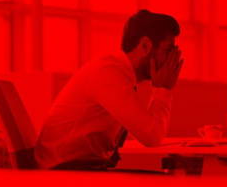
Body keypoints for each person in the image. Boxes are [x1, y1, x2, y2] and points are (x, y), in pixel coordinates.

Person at [34, 9, 184, 169]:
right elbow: (152, 137)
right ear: (145, 45)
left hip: (78, 166)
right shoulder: (109, 73)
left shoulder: (119, 72)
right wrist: (163, 89)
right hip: (65, 170)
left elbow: (150, 133)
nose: (173, 59)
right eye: (168, 50)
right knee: (169, 183)